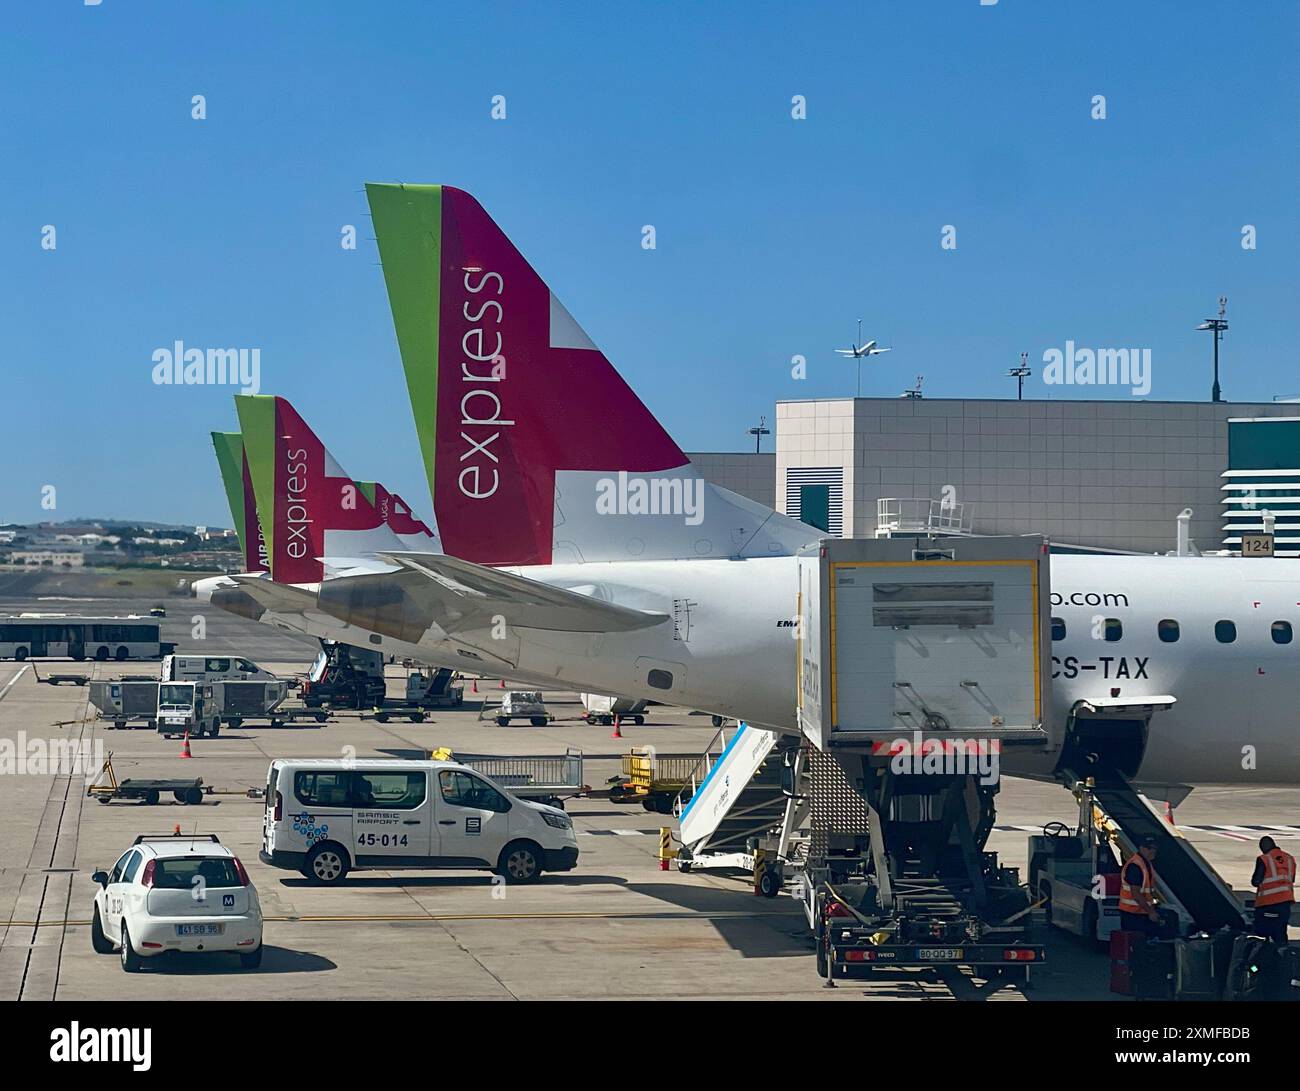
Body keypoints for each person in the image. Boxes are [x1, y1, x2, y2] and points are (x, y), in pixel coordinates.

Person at [1251, 835, 1295, 944]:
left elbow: (1256, 881)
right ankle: (1283, 955)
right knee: (1281, 931)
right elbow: (1292, 878)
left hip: (1268, 903)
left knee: (1262, 932)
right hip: (1286, 902)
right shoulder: (1289, 858)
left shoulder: (1264, 859)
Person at [1118, 836, 1164, 936]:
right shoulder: (1136, 866)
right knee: (1136, 943)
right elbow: (1136, 893)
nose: (1152, 851)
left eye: (1154, 848)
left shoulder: (1145, 863)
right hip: (1132, 914)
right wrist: (1151, 911)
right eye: (1149, 848)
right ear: (1141, 848)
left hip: (1140, 912)